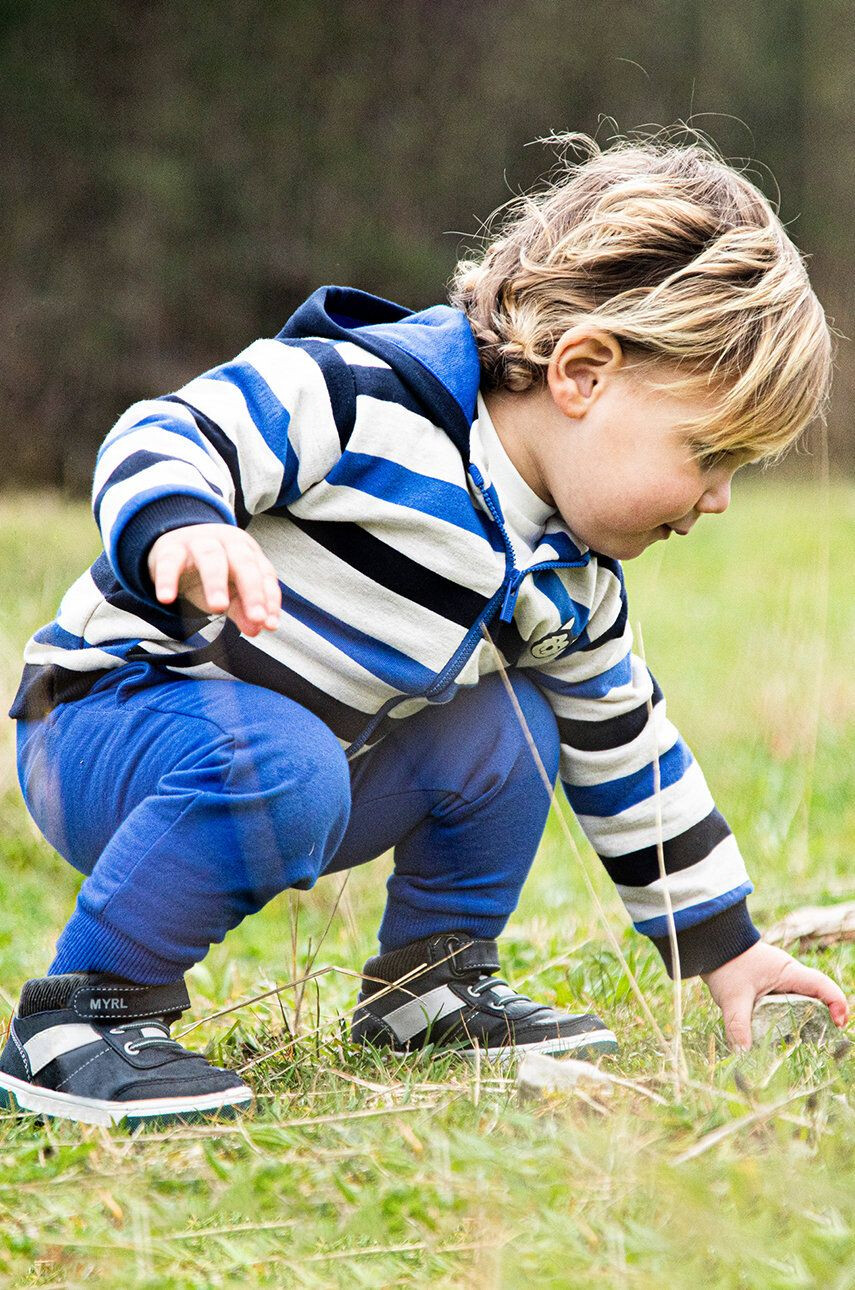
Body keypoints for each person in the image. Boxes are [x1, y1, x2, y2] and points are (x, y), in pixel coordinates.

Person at [1, 133, 848, 1127]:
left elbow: (633, 758)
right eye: (708, 452)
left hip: (297, 764)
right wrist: (183, 521)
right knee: (284, 760)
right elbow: (172, 428)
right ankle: (79, 1017)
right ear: (583, 373)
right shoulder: (366, 396)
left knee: (524, 721)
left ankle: (430, 987)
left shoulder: (575, 579)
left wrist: (731, 950)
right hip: (107, 720)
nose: (719, 500)